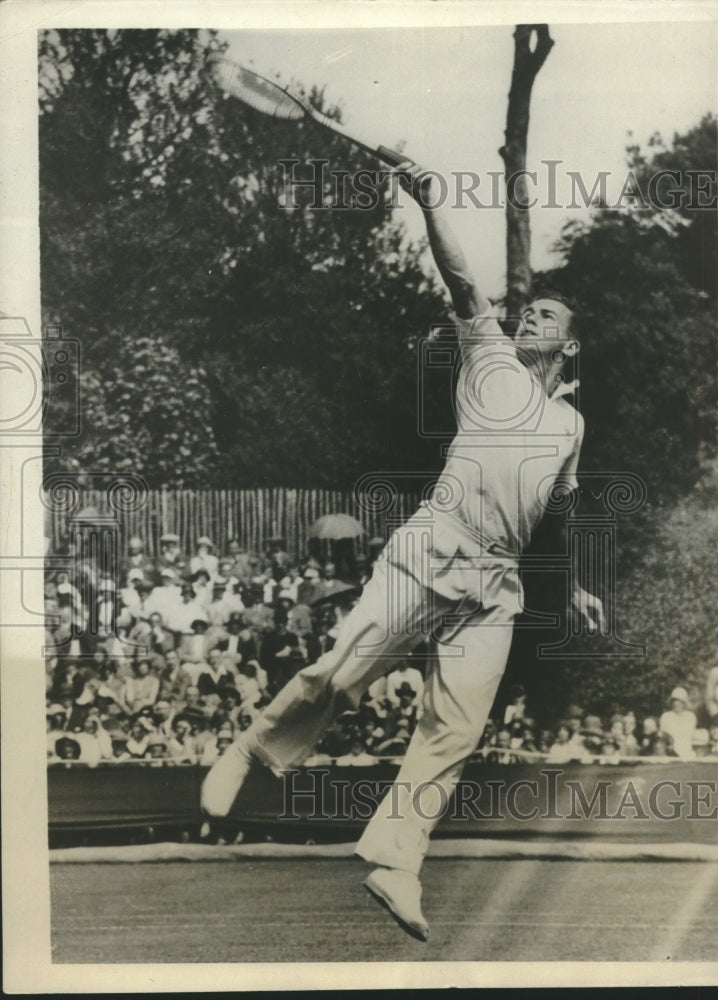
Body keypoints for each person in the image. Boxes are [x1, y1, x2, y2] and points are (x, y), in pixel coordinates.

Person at [201, 160, 603, 942]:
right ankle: (251, 751)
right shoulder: (490, 361)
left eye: (546, 317)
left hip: (497, 587)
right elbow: (462, 284)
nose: (530, 320)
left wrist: (579, 584)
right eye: (528, 311)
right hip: (430, 551)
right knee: (343, 671)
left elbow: (563, 509)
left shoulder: (572, 427)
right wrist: (429, 202)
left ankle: (395, 862)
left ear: (571, 345)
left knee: (455, 729)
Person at [659, 686, 697, 759]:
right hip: (670, 754)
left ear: (684, 702)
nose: (676, 703)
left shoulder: (690, 717)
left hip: (688, 753)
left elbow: (691, 736)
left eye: (679, 701)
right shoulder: (666, 717)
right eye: (674, 701)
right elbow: (663, 737)